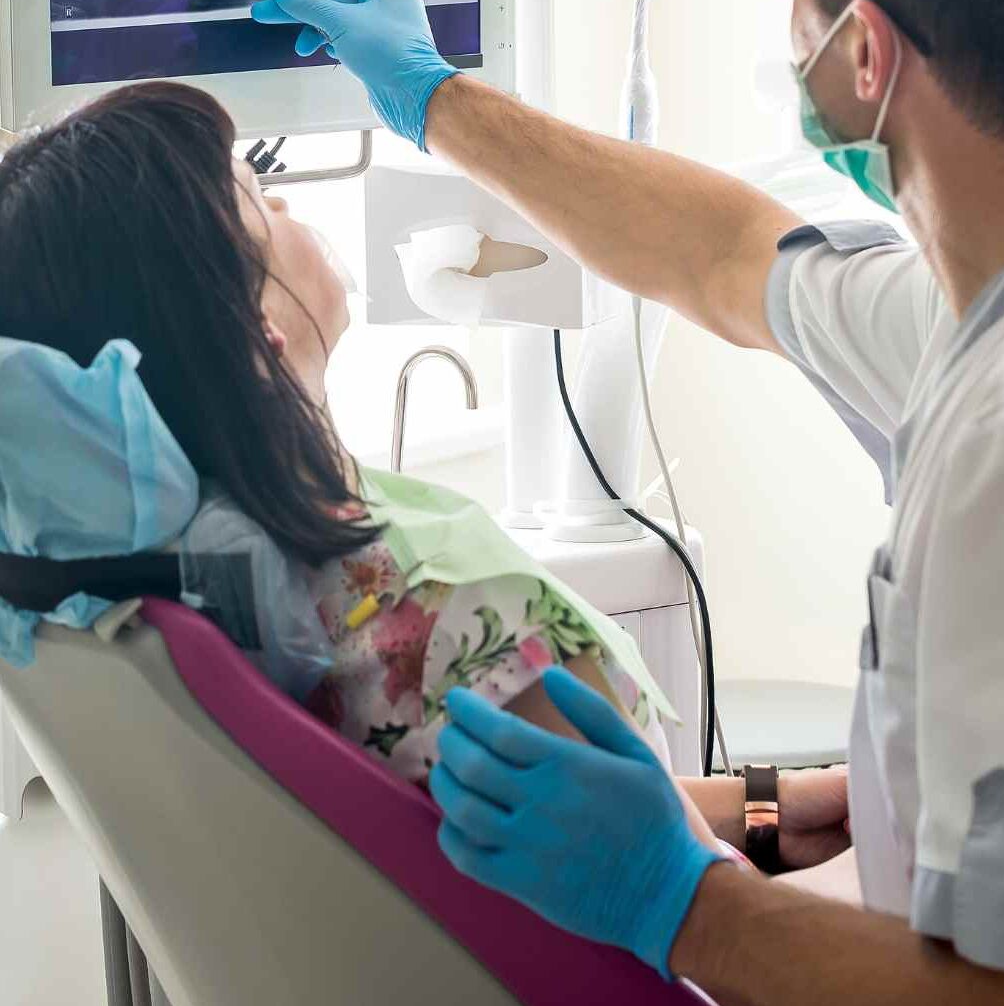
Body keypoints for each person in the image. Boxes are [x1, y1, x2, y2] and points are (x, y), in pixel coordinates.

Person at [253, 0, 1004, 1006]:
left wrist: (689, 903)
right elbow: (722, 252)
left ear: (866, 56)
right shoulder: (967, 312)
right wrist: (434, 99)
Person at [0, 80, 673, 782]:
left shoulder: (240, 592)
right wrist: (775, 823)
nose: (287, 204)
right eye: (256, 196)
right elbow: (674, 870)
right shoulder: (456, 624)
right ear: (251, 333)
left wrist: (770, 799)